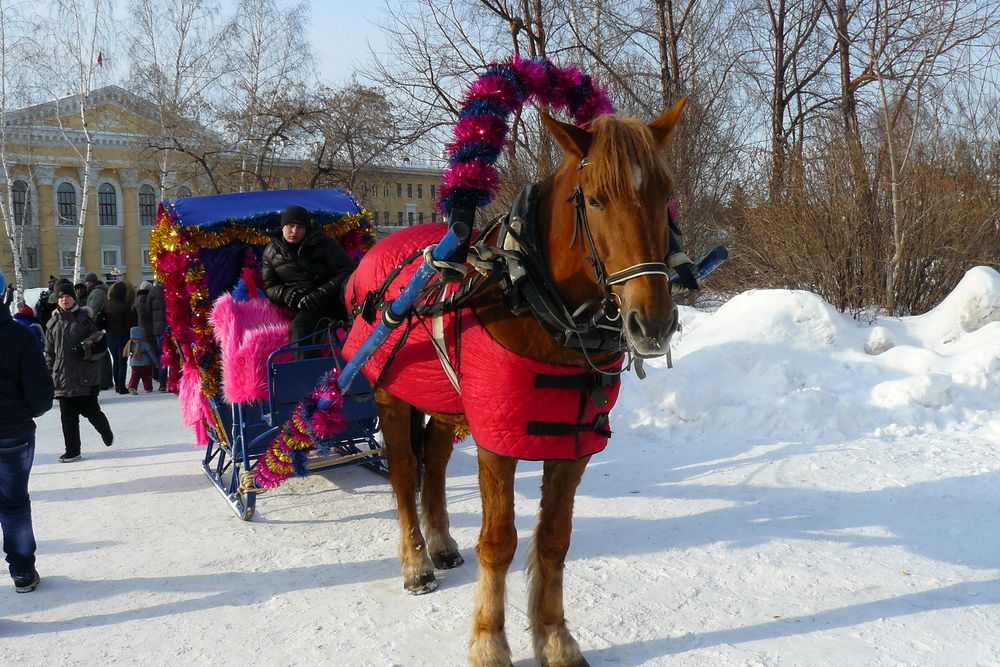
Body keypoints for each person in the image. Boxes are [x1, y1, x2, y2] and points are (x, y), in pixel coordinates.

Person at [0, 268, 54, 592]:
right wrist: (23, 415)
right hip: (12, 435)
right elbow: (41, 396)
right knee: (14, 503)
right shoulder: (19, 335)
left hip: (13, 432)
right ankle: (22, 571)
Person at [262, 204, 355, 346]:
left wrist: (322, 293)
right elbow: (270, 286)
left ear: (307, 228)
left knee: (300, 329)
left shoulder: (324, 243)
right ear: (282, 227)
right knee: (299, 329)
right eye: (290, 226)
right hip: (302, 306)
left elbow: (347, 271)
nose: (294, 231)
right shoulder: (271, 253)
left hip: (334, 301)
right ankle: (310, 367)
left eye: (300, 227)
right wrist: (285, 294)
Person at [44, 282, 114, 462]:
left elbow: (100, 345)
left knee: (90, 411)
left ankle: (104, 429)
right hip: (62, 378)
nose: (64, 300)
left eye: (67, 296)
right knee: (67, 417)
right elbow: (49, 352)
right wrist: (51, 372)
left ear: (73, 298)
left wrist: (85, 351)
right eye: (60, 297)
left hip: (85, 377)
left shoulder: (84, 320)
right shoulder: (52, 323)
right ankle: (73, 450)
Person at [102, 281, 137, 394]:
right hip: (123, 336)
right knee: (122, 361)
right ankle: (121, 386)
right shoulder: (125, 306)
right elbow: (130, 324)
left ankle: (117, 384)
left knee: (116, 361)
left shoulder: (106, 304)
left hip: (110, 336)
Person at [123, 326, 159, 394]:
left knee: (134, 376)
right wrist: (156, 363)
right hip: (145, 364)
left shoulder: (130, 343)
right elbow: (151, 354)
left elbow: (127, 351)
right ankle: (148, 388)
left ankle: (132, 387)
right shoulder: (145, 344)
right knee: (146, 376)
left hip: (134, 363)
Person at [147, 279, 168, 391]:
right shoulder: (171, 289)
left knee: (162, 356)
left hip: (158, 328)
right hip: (172, 327)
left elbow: (148, 308)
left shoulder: (153, 290)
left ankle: (162, 383)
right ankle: (174, 383)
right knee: (173, 355)